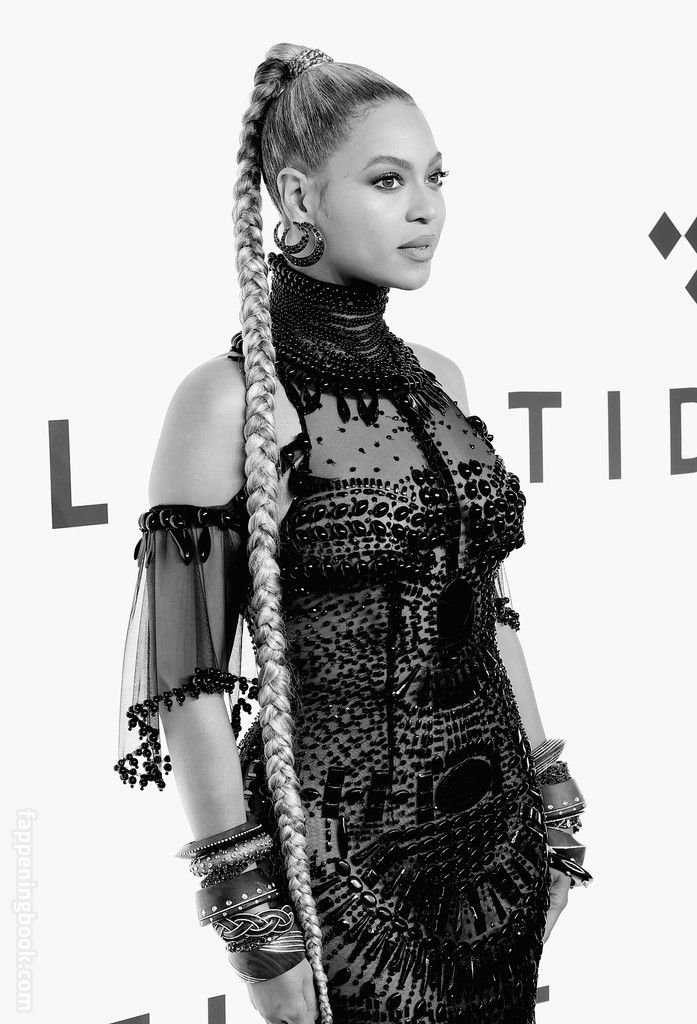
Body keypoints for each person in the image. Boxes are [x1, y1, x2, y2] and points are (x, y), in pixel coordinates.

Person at [115, 43, 592, 1024]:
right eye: (386, 180)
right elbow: (190, 685)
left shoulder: (442, 381)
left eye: (434, 178)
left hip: (495, 849)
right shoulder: (225, 402)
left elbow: (489, 612)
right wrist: (251, 919)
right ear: (297, 196)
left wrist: (552, 799)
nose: (425, 210)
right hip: (339, 873)